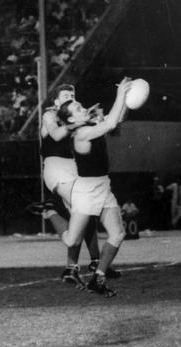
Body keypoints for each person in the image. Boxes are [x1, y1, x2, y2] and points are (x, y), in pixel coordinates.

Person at [27, 84, 120, 287]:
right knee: (83, 211)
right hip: (56, 167)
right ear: (56, 100)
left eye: (73, 95)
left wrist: (98, 118)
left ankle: (83, 265)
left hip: (74, 168)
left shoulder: (77, 114)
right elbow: (57, 135)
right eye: (66, 95)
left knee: (86, 214)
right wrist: (83, 120)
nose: (71, 97)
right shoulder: (51, 115)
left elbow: (105, 131)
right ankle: (83, 263)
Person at [57, 77, 132, 297]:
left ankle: (98, 279)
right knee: (71, 240)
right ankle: (50, 212)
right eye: (78, 108)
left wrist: (127, 98)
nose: (83, 107)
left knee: (117, 234)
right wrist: (119, 96)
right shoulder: (80, 134)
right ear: (72, 118)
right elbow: (109, 124)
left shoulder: (90, 125)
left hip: (103, 186)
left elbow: (117, 119)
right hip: (86, 191)